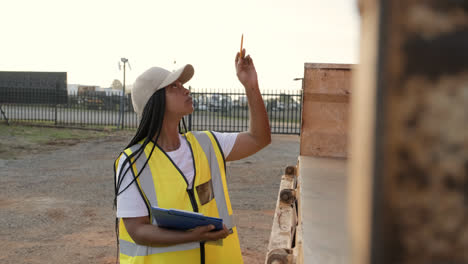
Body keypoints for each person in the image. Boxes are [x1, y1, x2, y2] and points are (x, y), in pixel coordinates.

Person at [113, 49, 271, 264]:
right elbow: (137, 230)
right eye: (174, 87)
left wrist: (250, 86)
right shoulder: (132, 162)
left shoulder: (207, 144)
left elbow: (259, 138)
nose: (186, 90)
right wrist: (192, 237)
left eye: (183, 85)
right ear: (154, 102)